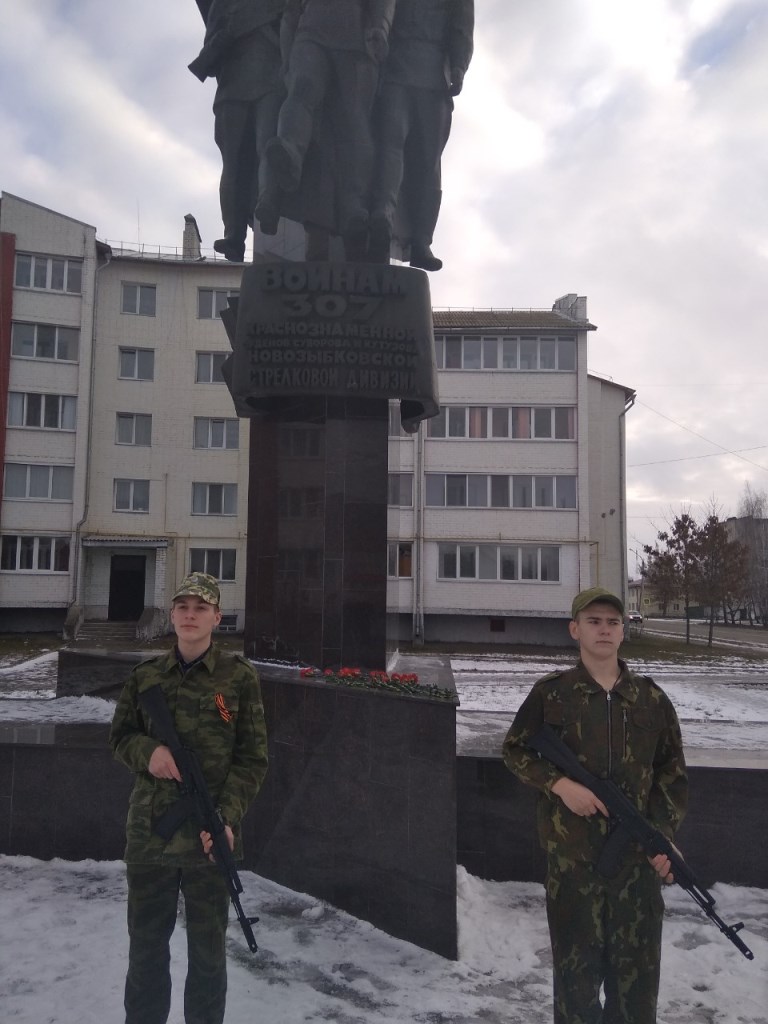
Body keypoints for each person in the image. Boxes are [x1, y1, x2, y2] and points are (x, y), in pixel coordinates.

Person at [502, 586, 688, 1024]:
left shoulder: (652, 699)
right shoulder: (552, 694)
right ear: (575, 630)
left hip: (636, 872)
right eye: (594, 622)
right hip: (573, 867)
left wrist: (662, 836)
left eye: (612, 622)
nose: (604, 630)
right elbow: (515, 750)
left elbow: (672, 774)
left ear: (623, 632)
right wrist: (560, 784)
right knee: (576, 989)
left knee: (636, 991)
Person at [109, 571, 269, 1024]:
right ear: (172, 615)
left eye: (201, 608)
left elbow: (253, 759)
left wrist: (227, 818)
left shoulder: (238, 679)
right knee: (145, 954)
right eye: (182, 607)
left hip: (209, 839)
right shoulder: (145, 677)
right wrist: (150, 752)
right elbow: (120, 737)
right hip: (150, 838)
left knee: (208, 959)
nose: (190, 615)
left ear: (217, 617)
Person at [259, 0, 396, 253]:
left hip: (356, 38)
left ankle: (354, 205)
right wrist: (287, 58)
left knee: (355, 120)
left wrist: (380, 26)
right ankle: (290, 153)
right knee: (302, 88)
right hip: (311, 30)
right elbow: (291, 11)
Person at [369, 0, 474, 271]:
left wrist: (459, 65)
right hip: (396, 66)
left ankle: (421, 241)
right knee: (391, 145)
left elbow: (462, 25)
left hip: (434, 74)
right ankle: (383, 215)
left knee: (429, 161)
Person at [189, 0, 286, 260]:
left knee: (267, 149)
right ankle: (234, 235)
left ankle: (268, 208)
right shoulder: (223, 4)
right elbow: (210, 54)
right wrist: (229, 35)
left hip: (271, 83)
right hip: (232, 89)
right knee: (232, 164)